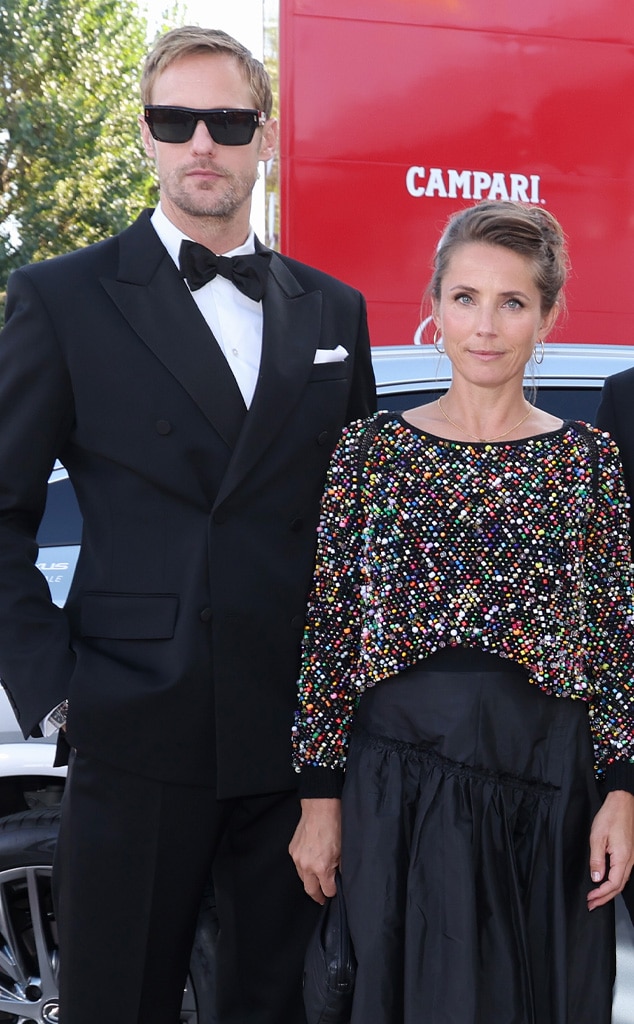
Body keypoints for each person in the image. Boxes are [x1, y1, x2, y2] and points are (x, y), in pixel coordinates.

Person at [0, 25, 375, 1024]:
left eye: (228, 121)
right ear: (146, 138)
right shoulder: (62, 297)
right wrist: (57, 693)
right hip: (134, 729)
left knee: (279, 1006)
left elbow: (355, 540)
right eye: (176, 120)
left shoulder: (334, 312)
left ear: (265, 137)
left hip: (290, 745)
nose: (202, 142)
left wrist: (339, 745)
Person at [290, 199, 634, 1024]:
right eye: (465, 298)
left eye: (512, 302)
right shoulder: (369, 452)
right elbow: (330, 633)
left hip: (546, 791)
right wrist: (318, 801)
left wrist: (623, 793)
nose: (485, 326)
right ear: (434, 306)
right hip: (396, 794)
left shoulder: (586, 461)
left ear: (546, 317)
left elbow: (616, 639)